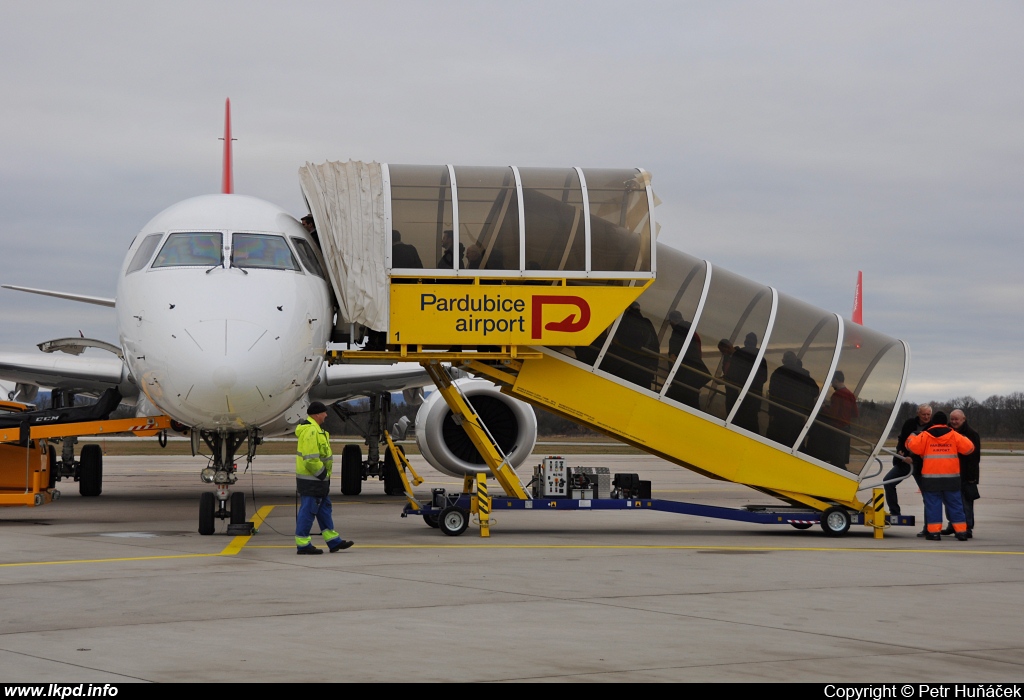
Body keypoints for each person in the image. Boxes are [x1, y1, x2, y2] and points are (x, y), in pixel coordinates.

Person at [904, 411, 975, 541]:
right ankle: (961, 532)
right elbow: (969, 448)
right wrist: (962, 438)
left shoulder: (925, 436)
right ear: (945, 422)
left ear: (933, 422)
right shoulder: (954, 435)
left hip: (931, 478)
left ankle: (934, 533)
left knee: (933, 505)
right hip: (951, 478)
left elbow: (912, 447)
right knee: (955, 504)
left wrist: (911, 436)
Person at [294, 402, 354, 555]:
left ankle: (333, 541)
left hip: (319, 479)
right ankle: (303, 544)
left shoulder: (316, 430)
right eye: (324, 412)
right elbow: (310, 459)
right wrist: (322, 475)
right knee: (308, 511)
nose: (326, 415)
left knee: (324, 509)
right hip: (313, 479)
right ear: (317, 414)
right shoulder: (311, 431)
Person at [884, 404, 932, 520]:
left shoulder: (932, 427)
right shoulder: (910, 423)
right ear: (918, 414)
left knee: (928, 495)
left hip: (921, 465)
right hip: (904, 462)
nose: (926, 417)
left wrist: (914, 459)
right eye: (923, 414)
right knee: (888, 482)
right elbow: (902, 439)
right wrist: (900, 451)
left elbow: (929, 448)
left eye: (928, 415)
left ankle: (929, 525)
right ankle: (895, 512)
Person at [766, 351, 819, 447]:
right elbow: (815, 392)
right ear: (795, 360)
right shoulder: (804, 374)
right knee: (795, 441)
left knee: (779, 441)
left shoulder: (778, 372)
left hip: (780, 413)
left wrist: (771, 412)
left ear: (783, 360)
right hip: (798, 414)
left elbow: (772, 394)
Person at [946, 409, 981, 538]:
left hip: (965, 474)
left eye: (957, 419)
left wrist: (971, 478)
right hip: (950, 473)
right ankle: (952, 525)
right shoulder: (947, 432)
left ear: (963, 419)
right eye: (952, 419)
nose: (954, 422)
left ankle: (967, 527)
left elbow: (974, 458)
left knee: (966, 503)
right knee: (950, 501)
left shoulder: (972, 434)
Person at [665, 310, 709, 409]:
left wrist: (672, 354)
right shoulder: (690, 329)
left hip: (686, 373)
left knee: (681, 396)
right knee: (690, 398)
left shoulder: (679, 329)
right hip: (693, 372)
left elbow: (676, 345)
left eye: (670, 322)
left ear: (672, 320)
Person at [725, 332, 767, 434]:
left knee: (734, 421)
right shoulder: (761, 358)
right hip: (753, 396)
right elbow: (764, 378)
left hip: (736, 394)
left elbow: (731, 373)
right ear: (756, 343)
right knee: (751, 424)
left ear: (745, 342)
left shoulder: (738, 354)